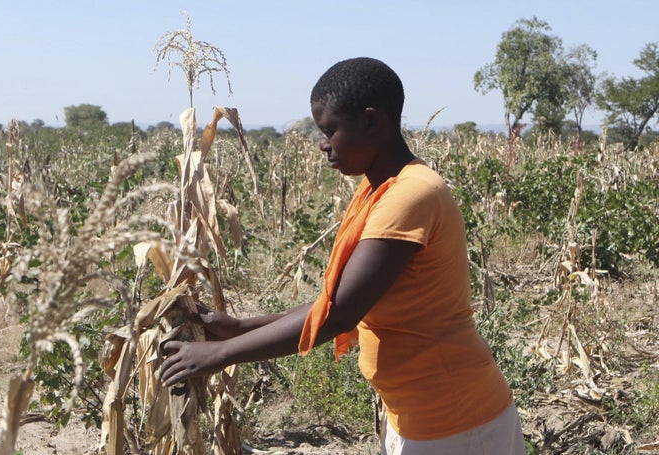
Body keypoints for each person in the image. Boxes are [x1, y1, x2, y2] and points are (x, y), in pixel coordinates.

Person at [159, 57, 526, 454]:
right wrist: (241, 327)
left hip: (457, 424)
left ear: (371, 121)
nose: (322, 143)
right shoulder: (377, 190)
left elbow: (341, 314)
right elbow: (333, 302)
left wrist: (221, 353)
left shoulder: (410, 196)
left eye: (330, 129)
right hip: (421, 417)